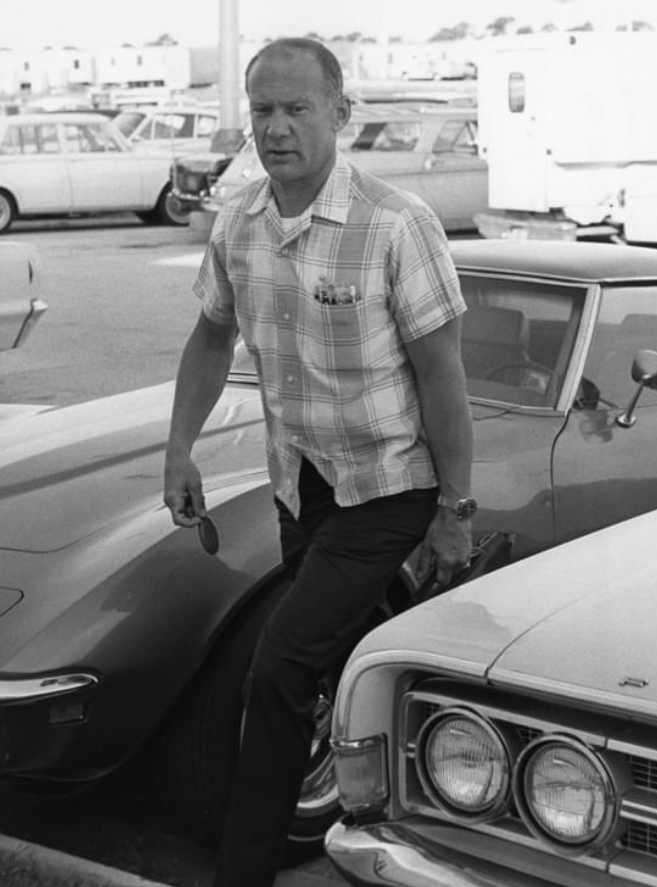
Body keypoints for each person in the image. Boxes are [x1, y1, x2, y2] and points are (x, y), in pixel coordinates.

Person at [162, 37, 475, 887]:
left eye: (297, 108)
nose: (276, 128)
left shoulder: (395, 223)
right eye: (262, 110)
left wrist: (454, 508)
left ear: (341, 113)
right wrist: (179, 448)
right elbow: (211, 335)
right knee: (337, 666)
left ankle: (243, 870)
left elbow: (442, 374)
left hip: (389, 486)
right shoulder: (239, 223)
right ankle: (400, 817)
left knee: (278, 666)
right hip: (299, 487)